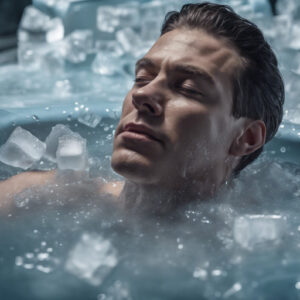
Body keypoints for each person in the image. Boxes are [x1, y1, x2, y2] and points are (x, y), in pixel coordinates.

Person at [0, 2, 284, 214]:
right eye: (141, 79)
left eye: (187, 88)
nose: (143, 94)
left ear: (246, 138)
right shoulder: (30, 200)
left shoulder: (270, 251)